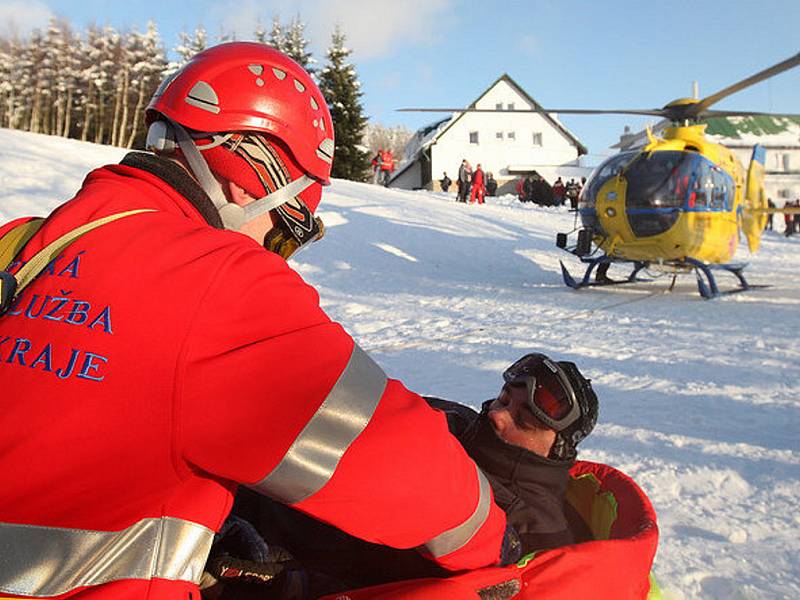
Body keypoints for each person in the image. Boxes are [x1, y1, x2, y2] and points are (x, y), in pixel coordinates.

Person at [0, 43, 512, 599]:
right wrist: (497, 540)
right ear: (250, 178)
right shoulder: (218, 280)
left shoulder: (20, 245)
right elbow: (397, 461)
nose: (276, 251)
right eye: (287, 227)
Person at [203, 352, 599, 599]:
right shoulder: (459, 422)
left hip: (260, 555)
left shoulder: (529, 533)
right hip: (246, 475)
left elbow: (408, 590)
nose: (497, 414)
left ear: (558, 449)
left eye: (523, 419)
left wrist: (288, 584)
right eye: (503, 399)